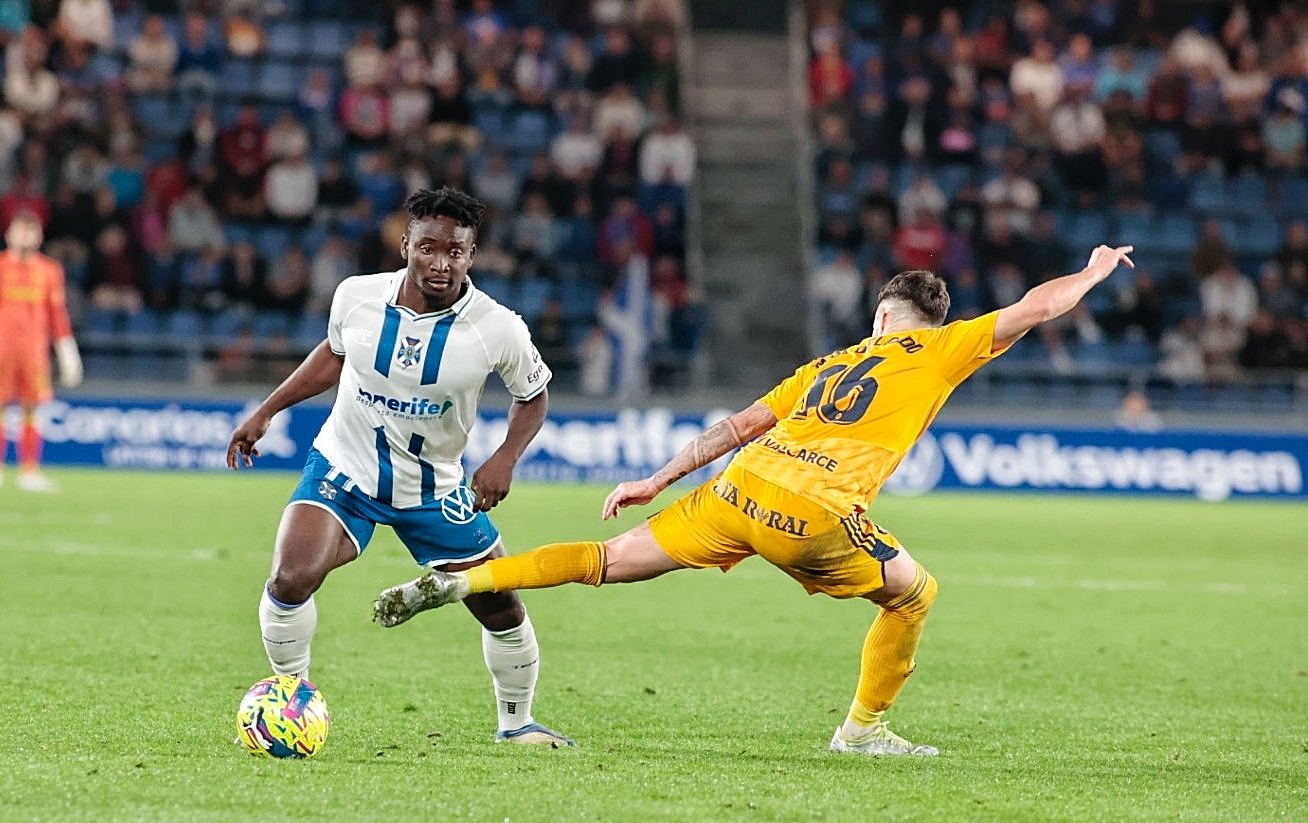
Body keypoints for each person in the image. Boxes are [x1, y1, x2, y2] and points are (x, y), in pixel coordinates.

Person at [373, 245, 1138, 756]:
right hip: (811, 512)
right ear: (927, 323)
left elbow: (735, 426)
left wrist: (656, 478)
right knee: (912, 594)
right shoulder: (943, 348)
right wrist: (1094, 269)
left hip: (735, 489)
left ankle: (465, 578)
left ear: (878, 315)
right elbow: (1038, 306)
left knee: (605, 559)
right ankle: (862, 731)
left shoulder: (828, 362)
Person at [225, 188, 568, 747]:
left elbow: (534, 395)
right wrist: (267, 411)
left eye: (454, 252)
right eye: (428, 248)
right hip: (344, 469)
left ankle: (516, 724)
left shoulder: (496, 327)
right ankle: (291, 698)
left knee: (499, 602)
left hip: (434, 487)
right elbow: (333, 357)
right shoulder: (355, 297)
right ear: (404, 244)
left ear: (471, 255)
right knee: (291, 578)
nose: (440, 263)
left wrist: (504, 458)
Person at [0, 213, 84, 492]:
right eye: (21, 231)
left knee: (33, 408)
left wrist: (67, 349)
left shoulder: (50, 271)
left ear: (39, 236)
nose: (26, 237)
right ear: (9, 235)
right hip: (0, 349)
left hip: (34, 351)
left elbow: (57, 313)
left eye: (32, 231)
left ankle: (29, 472)